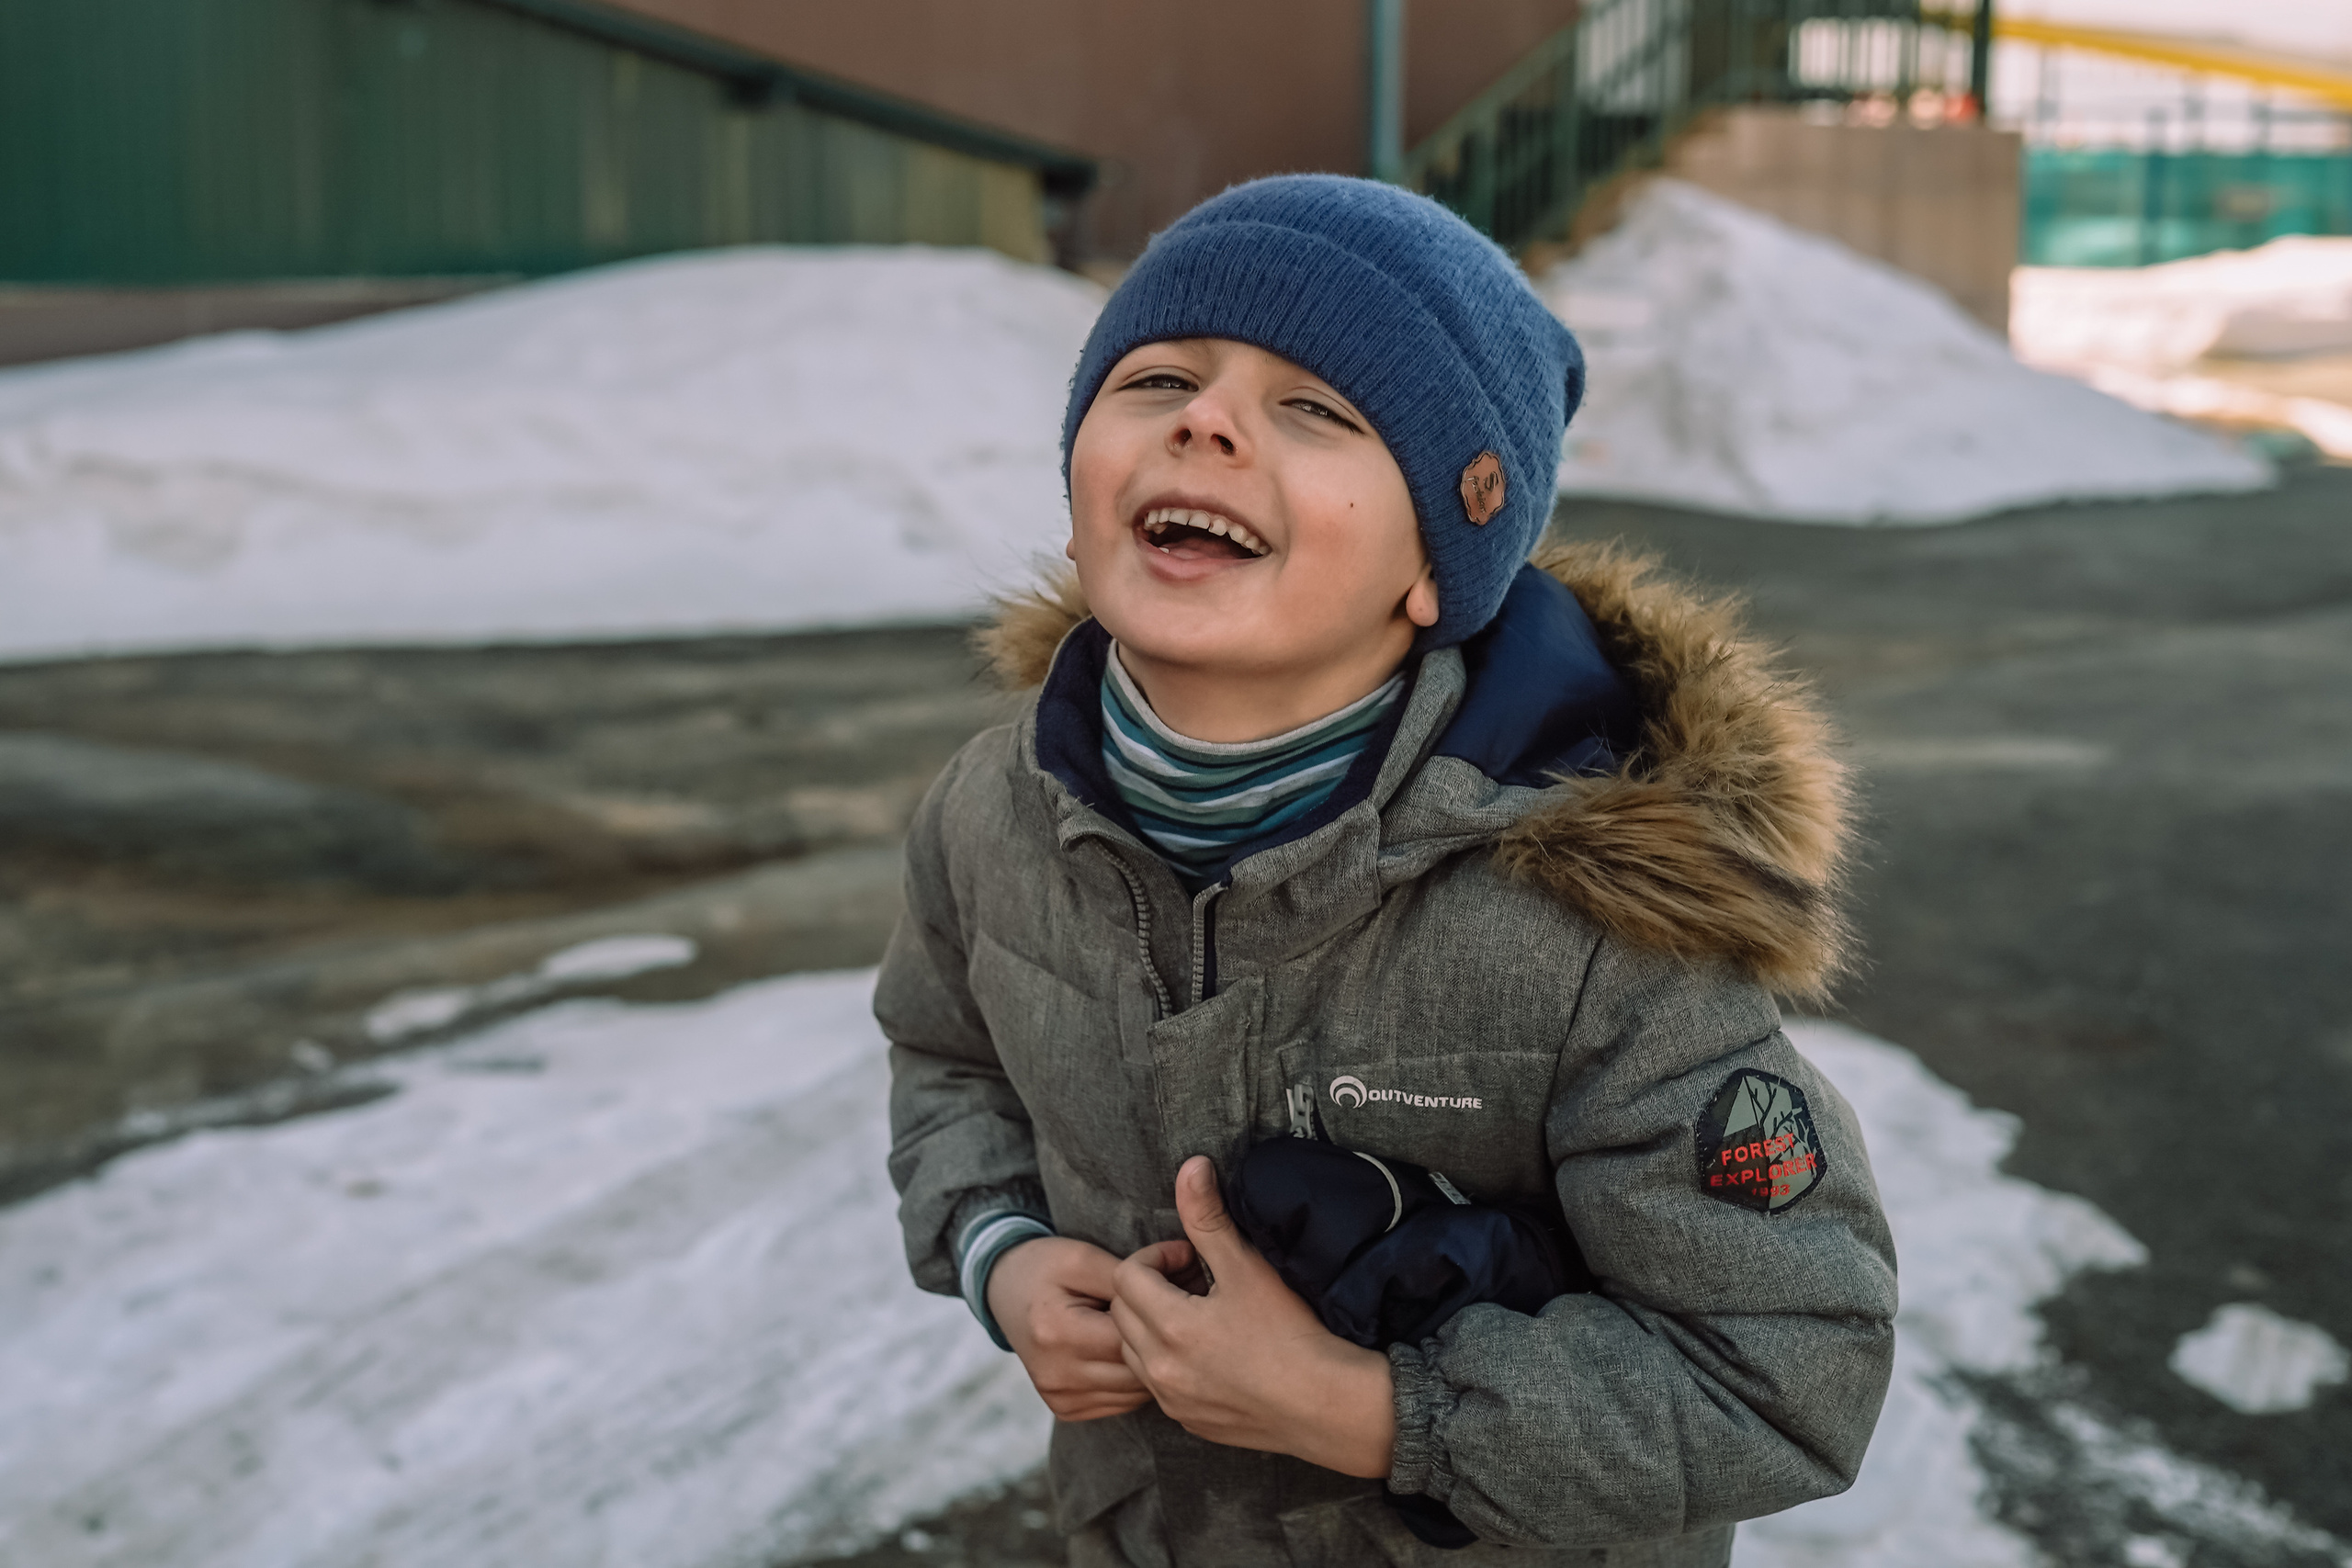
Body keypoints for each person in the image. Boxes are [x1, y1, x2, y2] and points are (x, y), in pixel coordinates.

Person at [877, 174, 1895, 1568]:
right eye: (1159, 378)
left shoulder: (1594, 923)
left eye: (1317, 409)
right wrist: (999, 1247)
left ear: (1438, 566)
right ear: (1077, 489)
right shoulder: (992, 809)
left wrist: (1366, 1411)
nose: (1206, 421)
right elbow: (946, 1058)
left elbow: (1785, 1377)